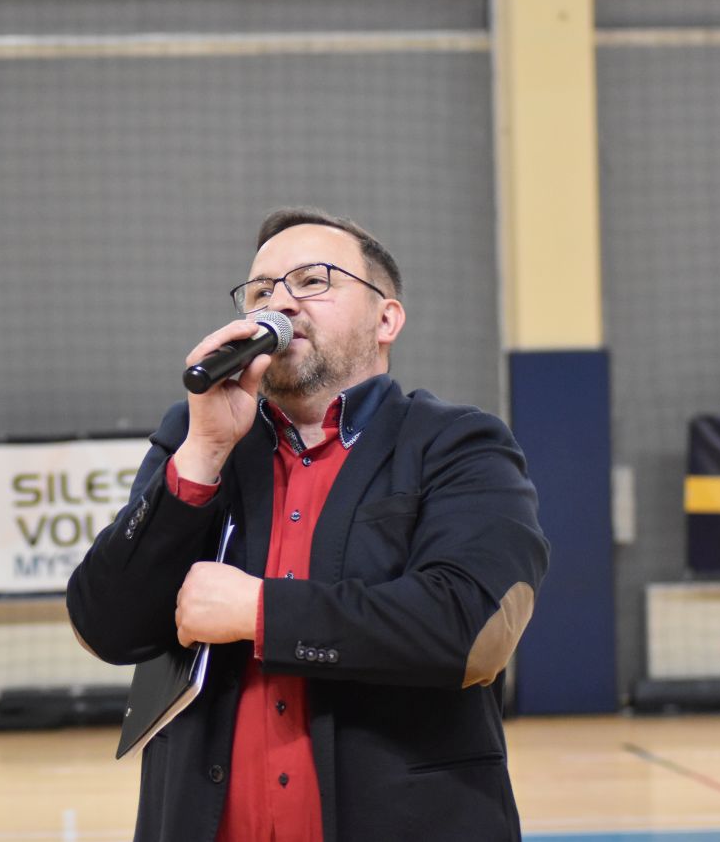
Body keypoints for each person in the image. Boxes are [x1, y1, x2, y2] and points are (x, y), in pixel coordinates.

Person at [67, 207, 549, 842]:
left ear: (386, 319)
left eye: (312, 281)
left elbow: (470, 631)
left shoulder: (459, 444)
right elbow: (105, 625)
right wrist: (203, 455)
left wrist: (260, 612)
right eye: (261, 291)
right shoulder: (194, 439)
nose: (280, 302)